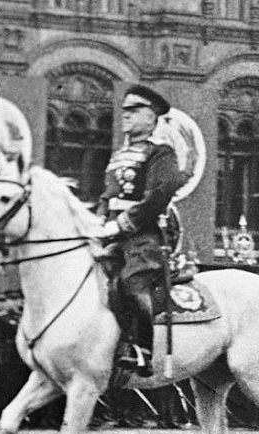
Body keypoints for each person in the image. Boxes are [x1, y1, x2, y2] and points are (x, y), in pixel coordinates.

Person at [95, 84, 187, 377]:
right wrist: (99, 222)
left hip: (143, 235)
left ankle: (145, 349)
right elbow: (107, 196)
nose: (126, 116)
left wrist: (123, 223)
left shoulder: (161, 153)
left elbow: (161, 193)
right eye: (125, 111)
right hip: (112, 234)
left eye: (134, 111)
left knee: (133, 282)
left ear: (152, 117)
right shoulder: (119, 155)